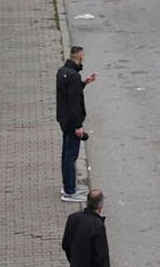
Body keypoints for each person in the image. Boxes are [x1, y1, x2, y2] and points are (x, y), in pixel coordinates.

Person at [56, 45, 96, 202]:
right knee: (71, 156)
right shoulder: (72, 76)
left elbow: (68, 93)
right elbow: (74, 103)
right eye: (82, 57)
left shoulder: (62, 72)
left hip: (64, 121)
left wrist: (84, 82)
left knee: (66, 154)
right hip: (72, 123)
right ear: (79, 57)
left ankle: (68, 185)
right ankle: (70, 191)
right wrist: (78, 125)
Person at [61, 190, 110, 267]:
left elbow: (66, 245)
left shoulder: (72, 218)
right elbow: (101, 257)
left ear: (87, 202)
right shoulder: (97, 226)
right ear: (100, 206)